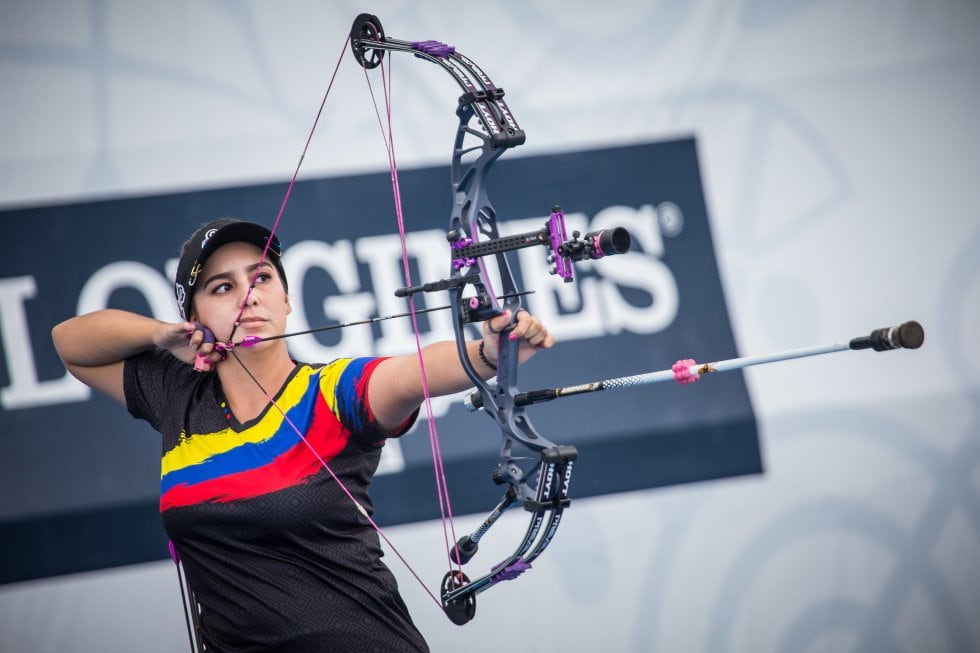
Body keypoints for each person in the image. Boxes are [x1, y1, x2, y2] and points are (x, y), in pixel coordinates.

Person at [51, 218, 554, 652]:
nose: (248, 295)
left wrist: (488, 354)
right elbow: (69, 344)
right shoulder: (177, 395)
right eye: (222, 288)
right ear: (195, 318)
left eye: (261, 277)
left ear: (287, 299)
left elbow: (409, 374)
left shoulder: (329, 393)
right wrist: (157, 335)